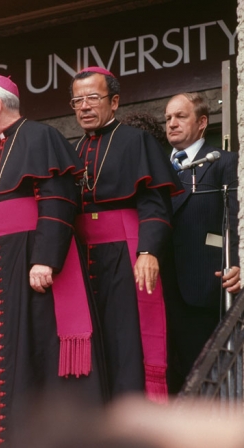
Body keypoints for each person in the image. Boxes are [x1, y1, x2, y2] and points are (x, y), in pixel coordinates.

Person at [0, 75, 107, 448]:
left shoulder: (39, 136)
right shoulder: (0, 148)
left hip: (31, 256)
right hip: (4, 260)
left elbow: (58, 199)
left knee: (37, 348)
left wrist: (45, 259)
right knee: (6, 349)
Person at [69, 67, 182, 401]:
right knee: (91, 337)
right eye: (77, 100)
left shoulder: (137, 140)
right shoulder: (73, 150)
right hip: (83, 254)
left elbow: (155, 204)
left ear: (114, 101)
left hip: (125, 249)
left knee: (128, 338)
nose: (84, 107)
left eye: (93, 98)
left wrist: (148, 251)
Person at [164, 92, 240, 393]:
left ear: (202, 122)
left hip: (204, 287)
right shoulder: (156, 165)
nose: (172, 124)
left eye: (180, 116)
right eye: (168, 118)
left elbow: (236, 221)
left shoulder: (224, 163)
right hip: (161, 291)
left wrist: (237, 264)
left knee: (204, 382)